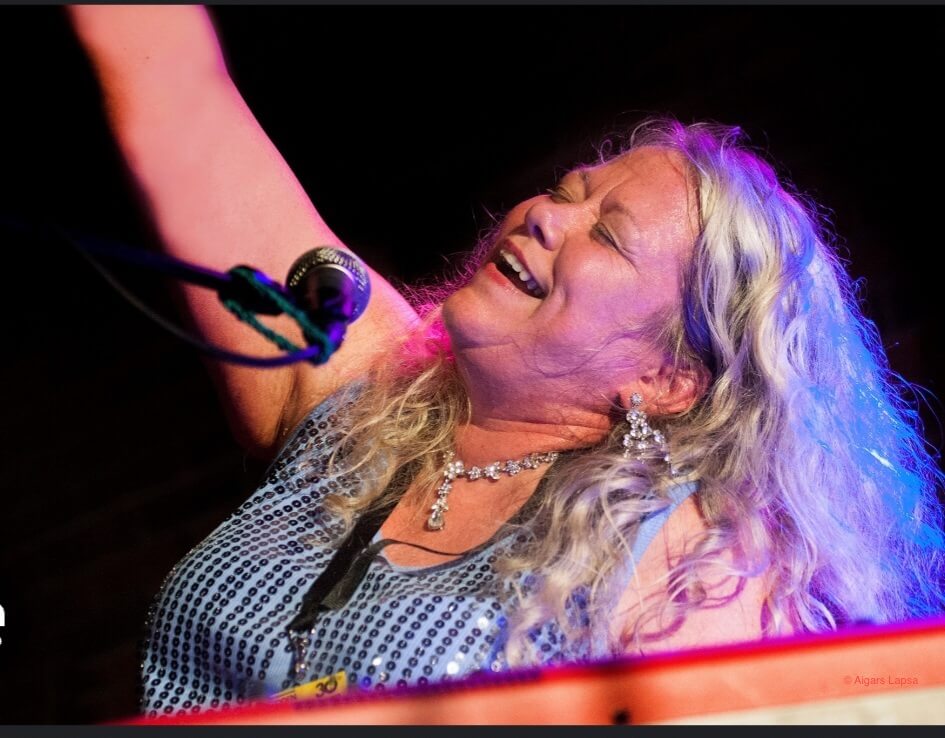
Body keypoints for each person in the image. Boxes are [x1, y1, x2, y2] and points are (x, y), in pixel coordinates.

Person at [69, 5, 945, 718]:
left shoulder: (695, 568)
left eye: (603, 234)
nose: (544, 216)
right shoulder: (358, 377)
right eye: (564, 192)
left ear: (667, 379)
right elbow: (175, 93)